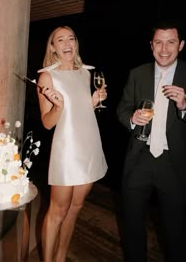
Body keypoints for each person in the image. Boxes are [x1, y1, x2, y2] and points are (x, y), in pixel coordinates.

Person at [117, 18, 186, 262]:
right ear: (151, 45)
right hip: (139, 160)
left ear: (181, 45)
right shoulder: (137, 74)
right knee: (133, 225)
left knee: (176, 232)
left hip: (175, 165)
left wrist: (184, 106)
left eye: (171, 42)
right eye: (159, 42)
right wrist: (133, 119)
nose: (164, 48)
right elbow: (122, 108)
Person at [37, 26, 108, 262]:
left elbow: (81, 110)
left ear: (76, 44)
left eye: (71, 38)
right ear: (52, 47)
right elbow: (48, 123)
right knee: (58, 211)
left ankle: (61, 257)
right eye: (60, 39)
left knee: (76, 208)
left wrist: (94, 100)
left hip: (89, 145)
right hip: (67, 151)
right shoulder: (47, 77)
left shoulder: (85, 73)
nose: (67, 43)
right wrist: (57, 107)